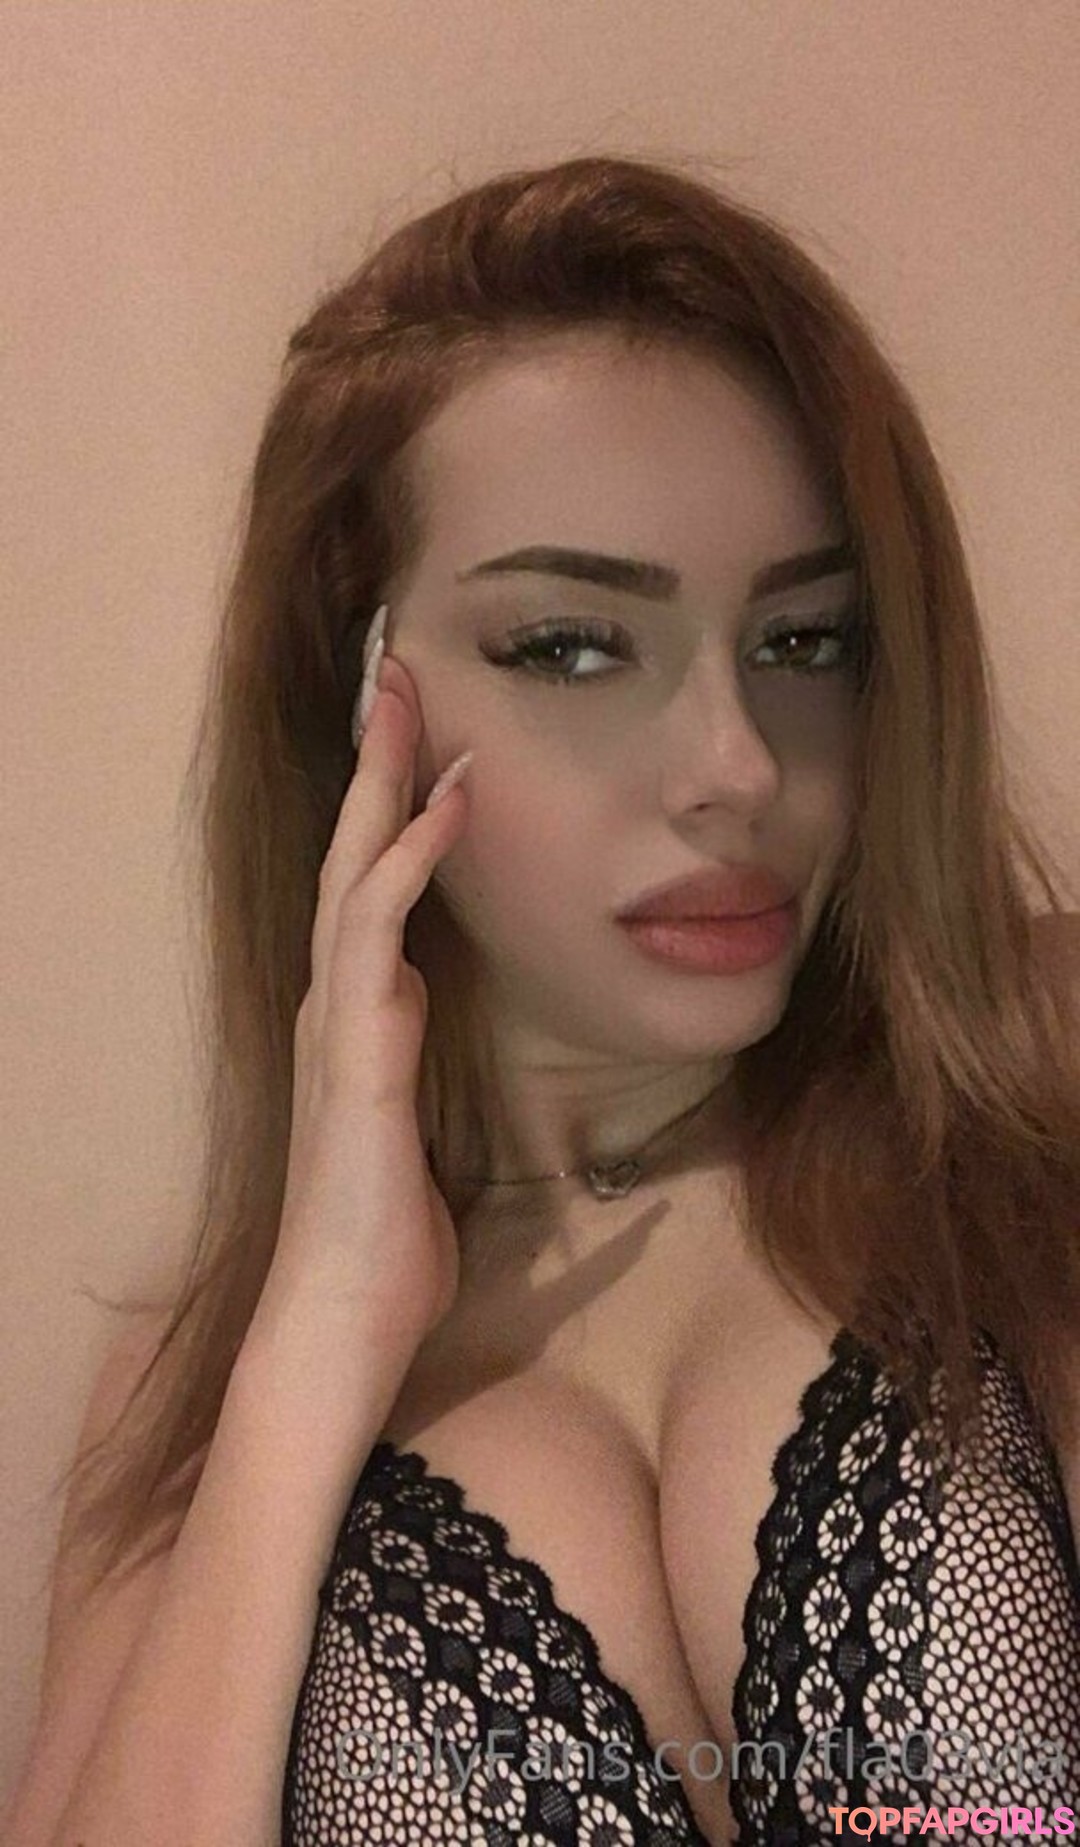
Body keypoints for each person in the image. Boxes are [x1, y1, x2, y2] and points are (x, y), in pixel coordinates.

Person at [7, 154, 1080, 1847]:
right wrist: (316, 1337)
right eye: (575, 645)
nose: (736, 766)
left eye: (806, 642)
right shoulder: (200, 1385)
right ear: (357, 688)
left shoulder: (1032, 1081)